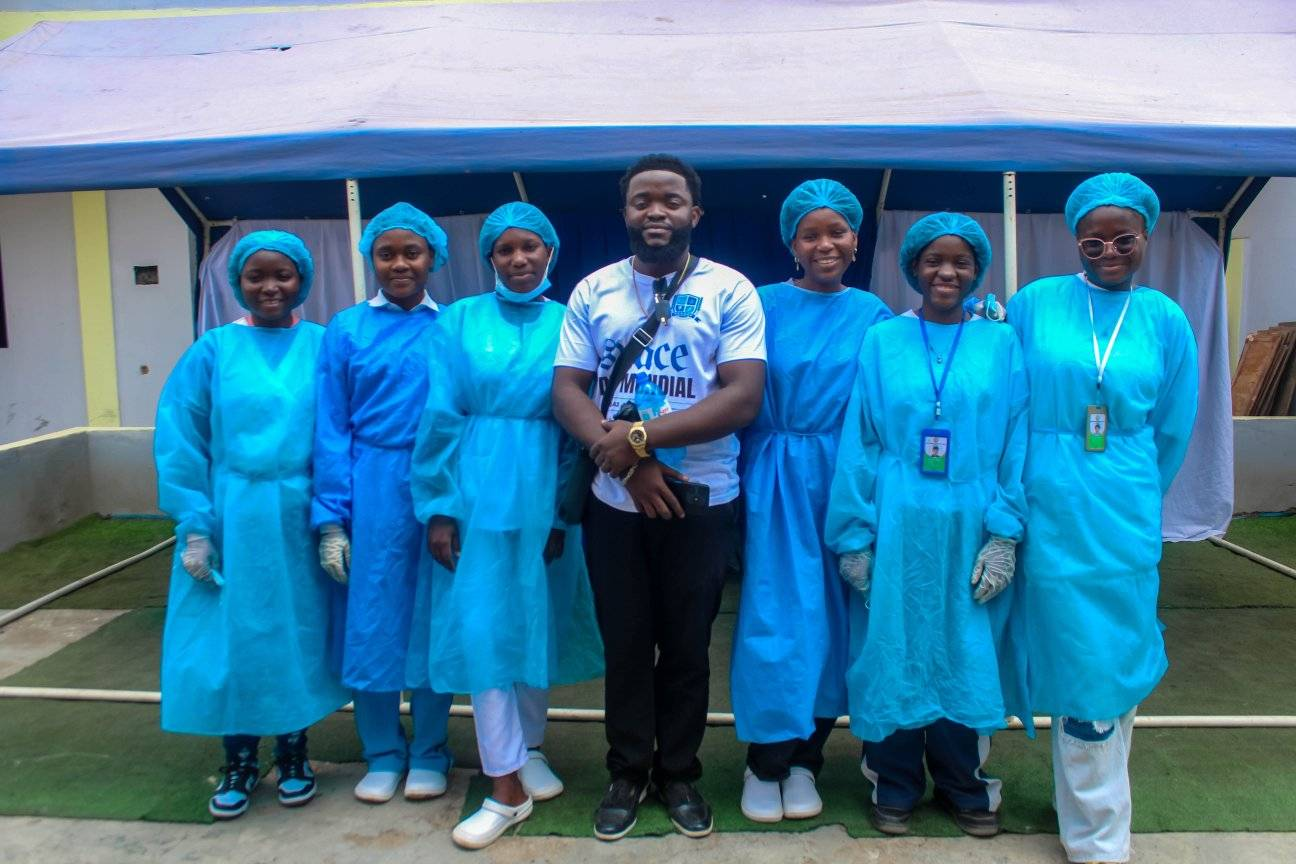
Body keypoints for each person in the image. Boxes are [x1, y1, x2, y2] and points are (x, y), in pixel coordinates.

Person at [552, 154, 767, 841]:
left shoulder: (731, 289)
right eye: (642, 200)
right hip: (614, 502)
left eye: (671, 201)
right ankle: (626, 769)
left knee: (685, 644)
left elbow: (741, 397)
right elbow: (568, 390)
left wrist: (638, 440)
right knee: (626, 641)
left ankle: (679, 772)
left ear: (693, 214)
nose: (656, 211)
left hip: (702, 497)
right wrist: (624, 462)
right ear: (625, 213)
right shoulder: (593, 291)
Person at [1008, 173, 1198, 864]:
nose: (1108, 250)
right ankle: (1088, 827)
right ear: (1074, 240)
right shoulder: (1035, 304)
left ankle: (1088, 819)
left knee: (1110, 662)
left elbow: (1173, 430)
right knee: (1068, 660)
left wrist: (1134, 492)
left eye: (1124, 237)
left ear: (1148, 236)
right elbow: (1009, 400)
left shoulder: (1166, 320)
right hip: (1045, 505)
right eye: (1093, 238)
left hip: (1122, 512)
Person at [825, 212, 1029, 839]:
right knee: (894, 642)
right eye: (933, 261)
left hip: (971, 517)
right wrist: (854, 534)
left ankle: (964, 782)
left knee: (964, 645)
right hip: (897, 514)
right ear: (912, 267)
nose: (947, 272)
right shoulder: (884, 340)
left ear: (978, 271)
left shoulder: (1001, 343)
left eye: (961, 262)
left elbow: (1015, 439)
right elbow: (860, 438)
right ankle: (895, 781)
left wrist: (1004, 531)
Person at [411, 202, 604, 849]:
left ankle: (530, 747)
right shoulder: (460, 321)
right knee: (487, 630)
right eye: (505, 250)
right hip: (476, 492)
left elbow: (579, 429)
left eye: (531, 247)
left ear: (551, 252)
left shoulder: (570, 323)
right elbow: (440, 414)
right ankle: (504, 784)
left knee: (534, 619)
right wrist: (439, 506)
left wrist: (560, 513)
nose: (519, 259)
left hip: (543, 491)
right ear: (488, 257)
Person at [156, 230, 349, 820]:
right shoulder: (212, 351)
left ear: (305, 281)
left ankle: (294, 751)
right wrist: (194, 523)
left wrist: (333, 521)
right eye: (255, 277)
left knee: (294, 632)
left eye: (283, 276)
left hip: (300, 512)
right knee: (235, 634)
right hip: (231, 512)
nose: (270, 287)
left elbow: (338, 434)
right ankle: (239, 758)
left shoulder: (323, 345)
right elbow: (181, 438)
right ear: (235, 282)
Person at [730, 179, 892, 824]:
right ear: (791, 243)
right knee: (776, 618)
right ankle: (764, 759)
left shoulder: (876, 316)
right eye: (810, 234)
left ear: (856, 239)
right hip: (772, 473)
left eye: (837, 232)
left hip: (848, 477)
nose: (824, 244)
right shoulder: (759, 304)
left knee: (837, 622)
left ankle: (807, 760)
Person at [313, 202, 454, 804]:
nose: (400, 263)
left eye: (412, 252)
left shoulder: (452, 326)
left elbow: (460, 415)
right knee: (368, 618)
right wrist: (330, 518)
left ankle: (429, 750)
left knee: (430, 617)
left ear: (433, 259)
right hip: (368, 484)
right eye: (387, 253)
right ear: (371, 258)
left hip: (435, 485)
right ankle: (381, 750)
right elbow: (330, 425)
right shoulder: (346, 329)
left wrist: (453, 499)